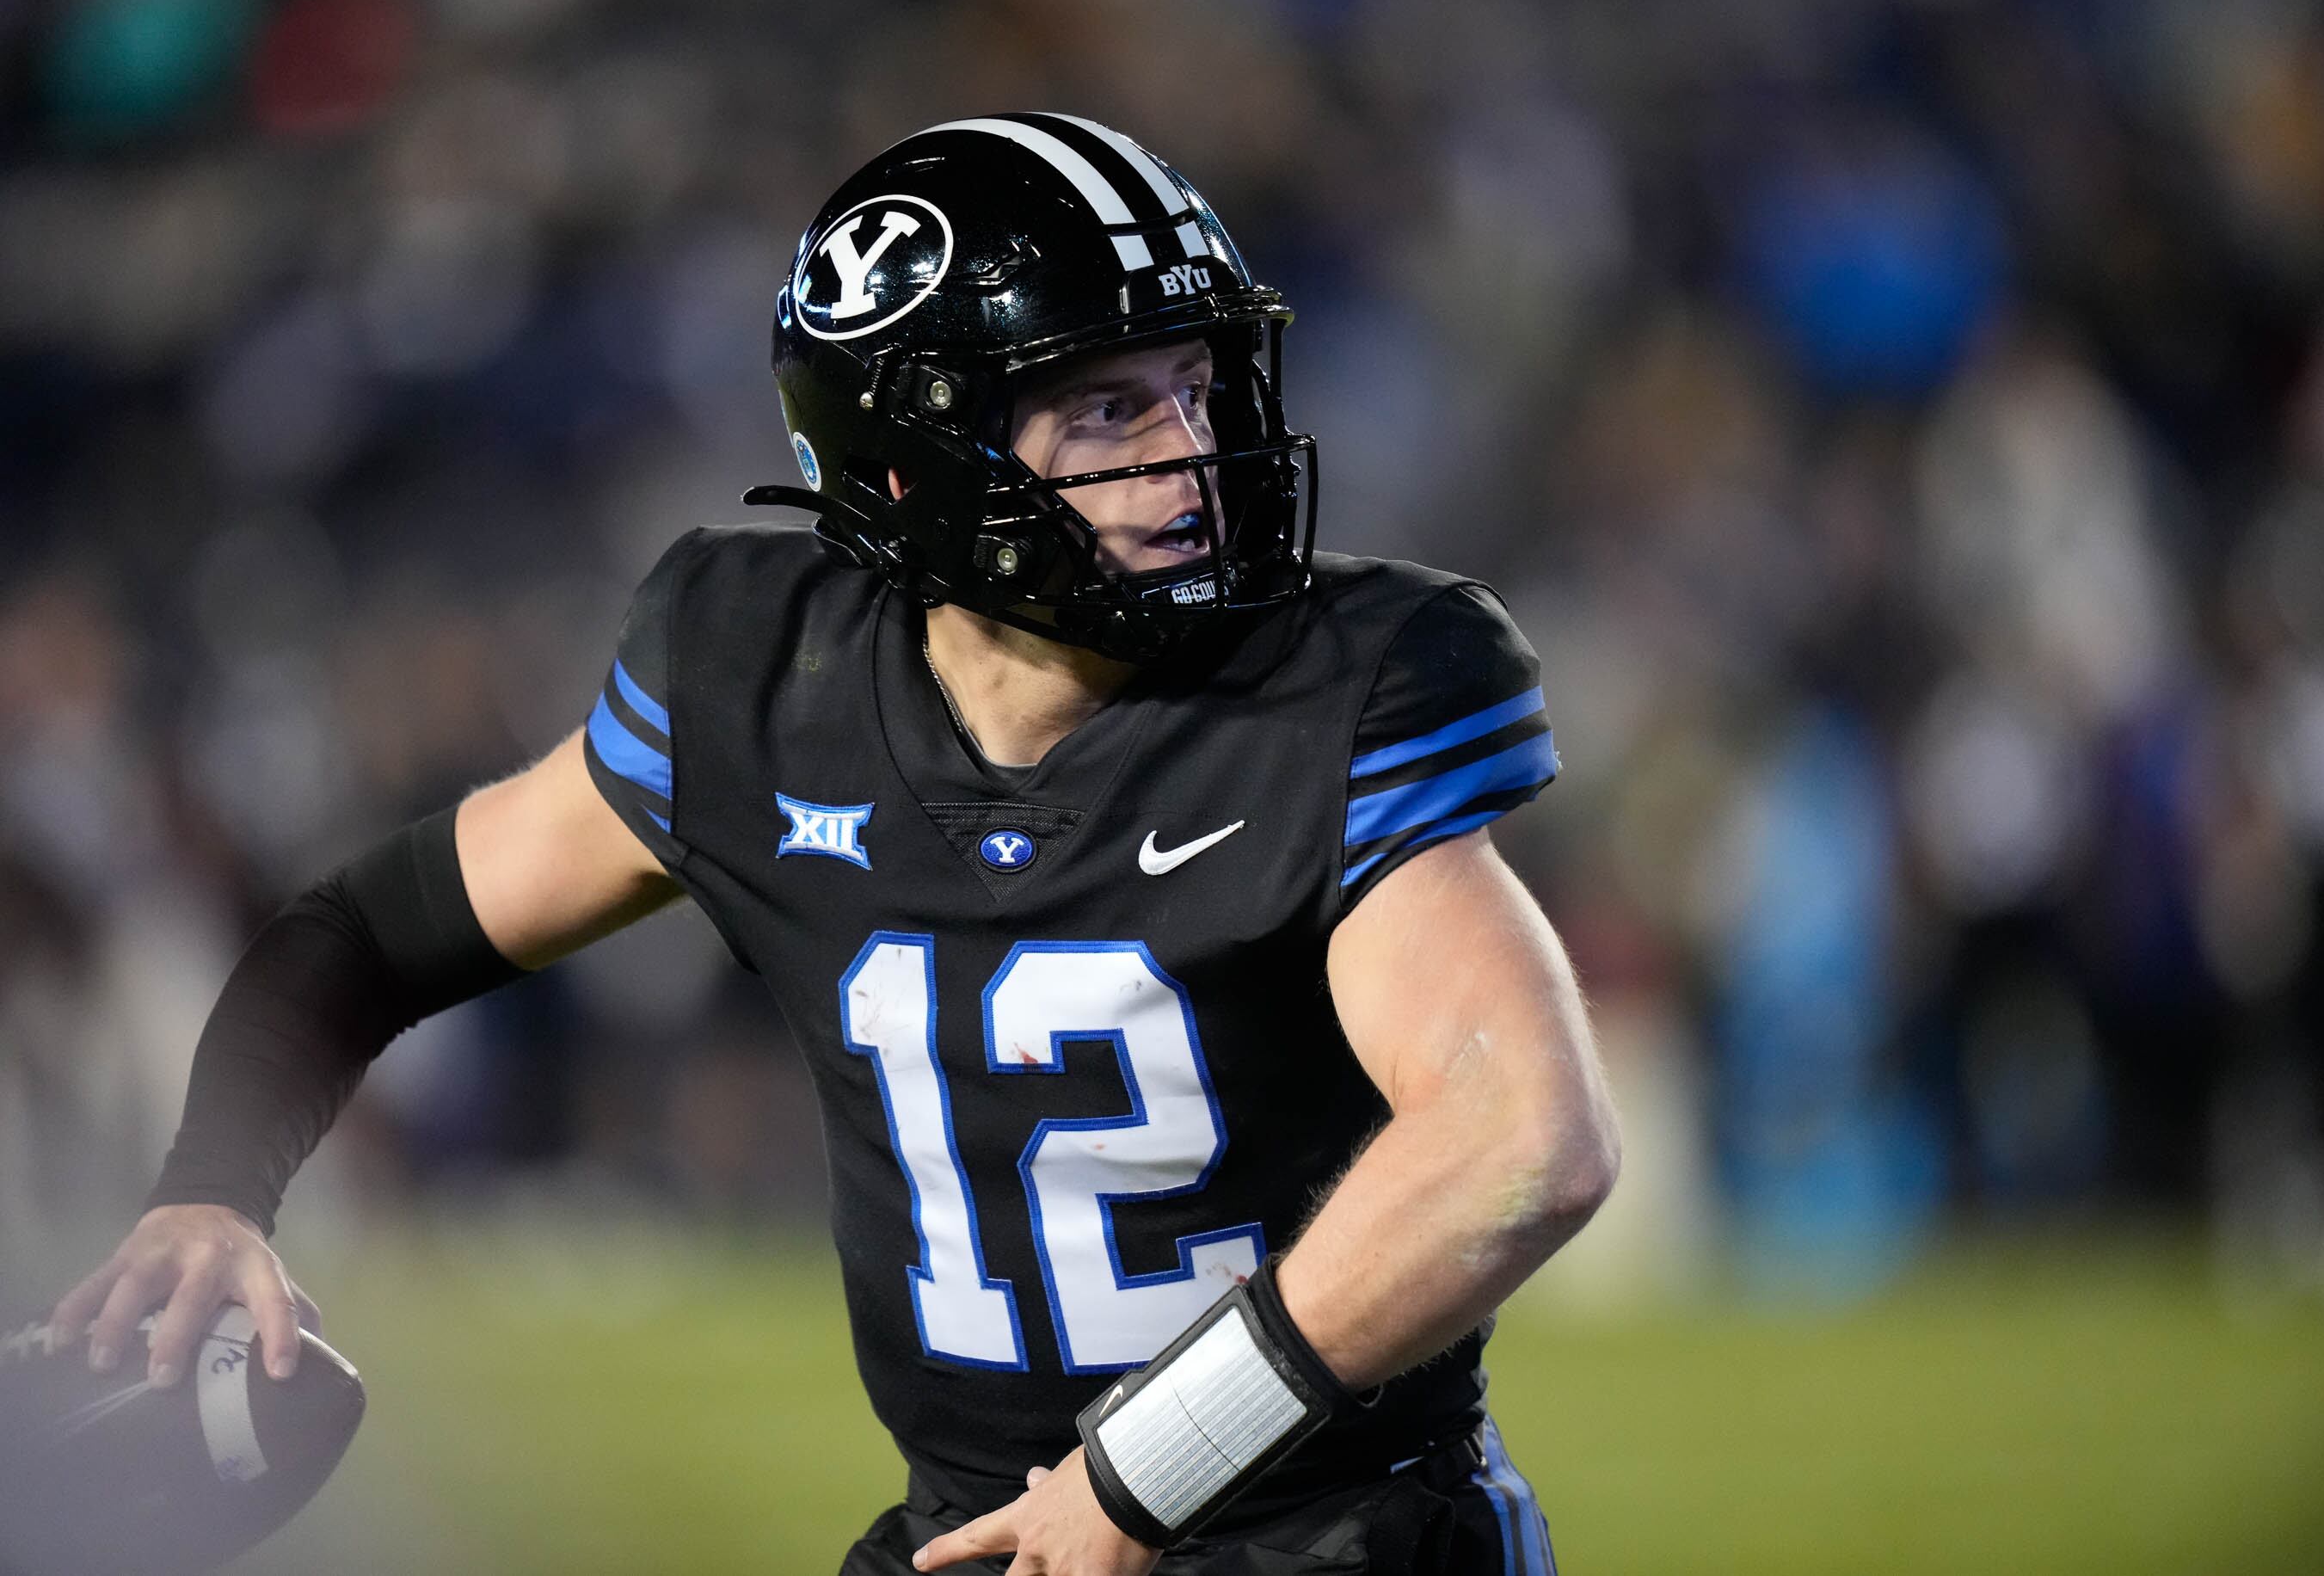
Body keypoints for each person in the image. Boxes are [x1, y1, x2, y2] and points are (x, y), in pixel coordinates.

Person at [47, 114, 1618, 1575]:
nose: (1192, 453)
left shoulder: (1340, 686)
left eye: (1199, 390)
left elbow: (1522, 1145)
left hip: (1339, 1533)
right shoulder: (763, 680)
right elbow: (368, 933)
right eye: (1109, 407)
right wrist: (211, 1189)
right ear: (909, 460)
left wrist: (1151, 1466)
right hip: (990, 1534)